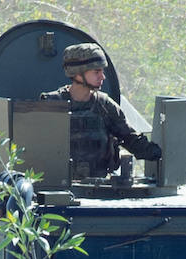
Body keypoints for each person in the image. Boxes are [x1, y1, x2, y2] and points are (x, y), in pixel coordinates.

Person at [40, 42, 161, 179]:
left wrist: (159, 153)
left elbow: (130, 139)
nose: (102, 77)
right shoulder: (52, 104)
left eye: (102, 71)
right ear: (78, 73)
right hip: (58, 188)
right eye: (96, 72)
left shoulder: (105, 105)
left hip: (100, 187)